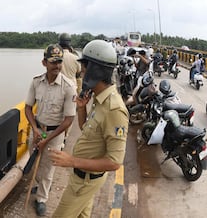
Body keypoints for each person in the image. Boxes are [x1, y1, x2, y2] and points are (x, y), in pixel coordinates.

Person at [49, 40, 129, 218]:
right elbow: (86, 129)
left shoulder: (114, 109)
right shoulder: (100, 98)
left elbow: (115, 162)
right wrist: (81, 108)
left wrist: (71, 161)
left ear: (95, 71)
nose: (82, 76)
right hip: (83, 177)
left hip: (85, 182)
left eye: (84, 71)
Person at [24, 44, 76, 216]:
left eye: (59, 62)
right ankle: (40, 185)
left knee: (48, 168)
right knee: (36, 164)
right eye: (53, 62)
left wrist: (47, 138)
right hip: (38, 131)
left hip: (54, 135)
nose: (57, 66)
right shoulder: (36, 82)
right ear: (44, 62)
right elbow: (27, 108)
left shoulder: (68, 87)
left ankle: (41, 199)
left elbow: (69, 120)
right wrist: (35, 129)